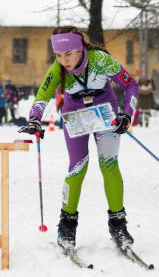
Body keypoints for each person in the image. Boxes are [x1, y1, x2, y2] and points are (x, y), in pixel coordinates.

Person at [19, 26, 139, 251]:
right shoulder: (57, 68)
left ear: (81, 48)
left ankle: (118, 225)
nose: (64, 60)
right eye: (58, 55)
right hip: (75, 114)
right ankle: (67, 226)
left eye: (69, 53)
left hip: (105, 110)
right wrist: (34, 119)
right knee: (78, 166)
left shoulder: (100, 60)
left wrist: (126, 114)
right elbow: (42, 96)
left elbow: (131, 84)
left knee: (109, 164)